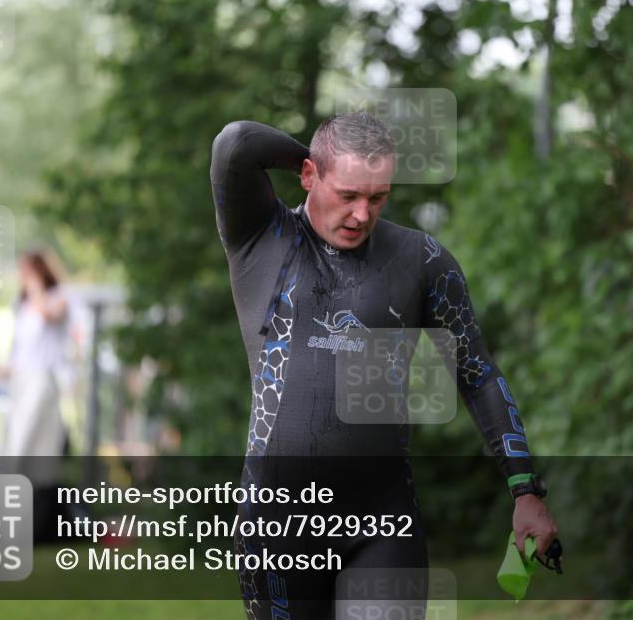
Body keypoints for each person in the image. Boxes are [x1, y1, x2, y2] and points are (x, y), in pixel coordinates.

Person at [211, 113, 558, 619]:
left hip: (382, 521)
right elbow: (236, 142)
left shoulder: (420, 259)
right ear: (308, 175)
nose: (360, 214)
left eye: (377, 197)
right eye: (347, 193)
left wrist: (524, 487)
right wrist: (313, 153)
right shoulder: (262, 239)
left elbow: (476, 372)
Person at [0, 249, 70, 540]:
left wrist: (37, 289)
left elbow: (51, 317)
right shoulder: (23, 305)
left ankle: (35, 524)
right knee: (15, 448)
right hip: (21, 381)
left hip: (43, 382)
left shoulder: (58, 297)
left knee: (39, 452)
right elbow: (21, 346)